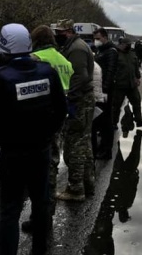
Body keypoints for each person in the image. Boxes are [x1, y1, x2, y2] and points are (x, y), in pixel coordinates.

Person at [0, 23, 67, 255]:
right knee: (41, 204)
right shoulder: (47, 72)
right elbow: (61, 110)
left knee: (10, 210)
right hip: (41, 151)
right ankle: (40, 250)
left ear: (3, 48)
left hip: (12, 153)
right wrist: (48, 135)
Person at [25, 24, 74, 229]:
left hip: (40, 116)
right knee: (53, 161)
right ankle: (47, 211)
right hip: (59, 115)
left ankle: (41, 215)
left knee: (41, 168)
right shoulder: (64, 60)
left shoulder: (37, 59)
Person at [54, 19, 97, 202]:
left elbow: (80, 77)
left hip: (79, 101)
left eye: (60, 33)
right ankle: (88, 184)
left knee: (75, 146)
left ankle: (76, 188)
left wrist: (69, 99)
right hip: (82, 100)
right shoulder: (75, 45)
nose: (58, 36)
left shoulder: (77, 48)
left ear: (69, 31)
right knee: (84, 145)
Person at [92, 28, 119, 160]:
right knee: (100, 121)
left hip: (105, 92)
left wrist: (104, 92)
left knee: (106, 122)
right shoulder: (101, 50)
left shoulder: (111, 52)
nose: (96, 41)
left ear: (105, 37)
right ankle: (101, 148)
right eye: (95, 38)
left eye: (98, 38)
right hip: (99, 90)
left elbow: (110, 72)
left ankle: (106, 150)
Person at [112, 37, 142, 128]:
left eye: (129, 44)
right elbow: (112, 69)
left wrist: (138, 77)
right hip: (120, 84)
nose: (129, 46)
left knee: (136, 102)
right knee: (116, 105)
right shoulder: (115, 54)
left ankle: (139, 121)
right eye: (127, 44)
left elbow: (135, 67)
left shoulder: (132, 54)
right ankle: (113, 123)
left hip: (132, 84)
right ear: (122, 44)